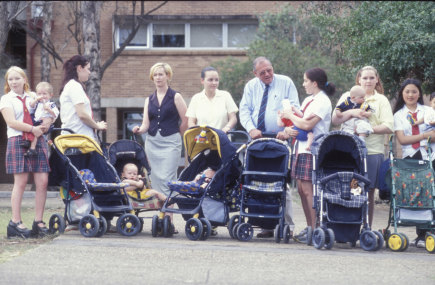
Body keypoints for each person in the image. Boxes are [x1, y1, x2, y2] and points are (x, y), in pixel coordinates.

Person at [239, 56, 299, 238]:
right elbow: (244, 110)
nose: (267, 74)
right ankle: (265, 224)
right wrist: (251, 129)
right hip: (257, 140)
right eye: (262, 72)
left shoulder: (286, 82)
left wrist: (287, 130)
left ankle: (287, 225)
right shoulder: (251, 86)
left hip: (280, 140)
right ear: (255, 73)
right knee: (258, 182)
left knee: (281, 182)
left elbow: (295, 108)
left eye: (269, 70)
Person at [332, 66, 394, 227]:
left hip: (372, 152)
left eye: (371, 78)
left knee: (368, 191)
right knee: (348, 188)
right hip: (348, 150)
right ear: (358, 79)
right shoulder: (347, 96)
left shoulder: (381, 100)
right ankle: (346, 225)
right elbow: (335, 119)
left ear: (377, 80)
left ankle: (366, 227)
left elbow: (388, 126)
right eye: (364, 78)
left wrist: (367, 130)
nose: (368, 81)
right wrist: (352, 113)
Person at [282, 67, 335, 244]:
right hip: (300, 148)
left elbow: (306, 125)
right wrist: (289, 123)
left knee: (309, 191)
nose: (303, 84)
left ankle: (317, 228)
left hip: (313, 150)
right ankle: (310, 228)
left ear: (315, 83)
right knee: (303, 191)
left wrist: (291, 115)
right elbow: (300, 122)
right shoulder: (309, 100)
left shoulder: (323, 101)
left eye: (306, 81)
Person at [0, 66, 50, 238]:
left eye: (17, 78)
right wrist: (32, 128)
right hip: (18, 140)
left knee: (42, 181)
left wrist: (46, 123)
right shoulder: (6, 99)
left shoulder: (34, 97)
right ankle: (15, 222)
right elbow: (11, 122)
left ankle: (38, 222)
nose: (13, 82)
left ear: (24, 80)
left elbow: (47, 111)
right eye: (10, 79)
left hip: (38, 140)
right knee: (20, 183)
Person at [132, 62, 188, 197]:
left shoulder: (176, 96)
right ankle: (161, 213)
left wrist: (177, 133)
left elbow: (186, 119)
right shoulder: (149, 99)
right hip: (152, 144)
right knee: (156, 179)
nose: (158, 77)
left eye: (161, 74)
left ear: (168, 76)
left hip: (171, 143)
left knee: (167, 178)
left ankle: (168, 212)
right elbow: (146, 124)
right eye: (155, 75)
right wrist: (139, 129)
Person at [59, 55, 107, 140]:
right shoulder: (74, 86)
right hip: (78, 140)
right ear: (80, 68)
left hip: (76, 139)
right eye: (88, 69)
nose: (89, 72)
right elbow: (82, 115)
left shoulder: (71, 85)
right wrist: (97, 126)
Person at [186, 66, 238, 132]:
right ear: (202, 80)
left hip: (222, 138)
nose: (214, 83)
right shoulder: (196, 98)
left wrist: (227, 128)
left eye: (216, 80)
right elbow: (191, 122)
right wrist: (197, 132)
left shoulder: (225, 95)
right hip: (202, 140)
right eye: (210, 80)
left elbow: (233, 118)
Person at [25, 82, 59, 156]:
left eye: (44, 94)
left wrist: (49, 110)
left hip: (43, 122)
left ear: (50, 95)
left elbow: (56, 114)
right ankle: (28, 140)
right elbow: (31, 106)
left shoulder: (51, 104)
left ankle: (32, 148)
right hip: (36, 120)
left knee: (36, 133)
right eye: (39, 94)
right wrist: (36, 100)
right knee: (28, 124)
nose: (42, 96)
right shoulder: (37, 103)